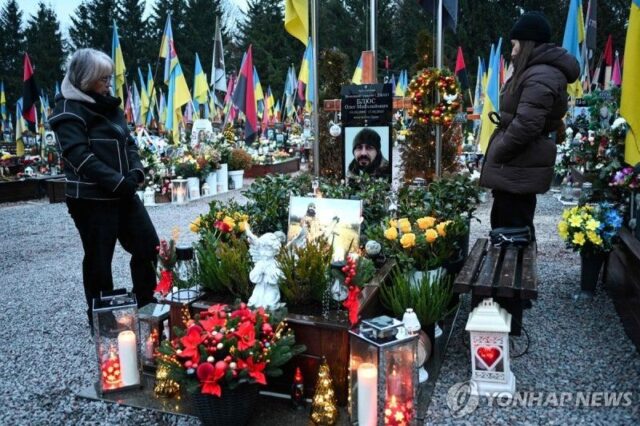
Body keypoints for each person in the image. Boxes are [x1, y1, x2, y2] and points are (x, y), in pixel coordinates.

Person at [49, 48, 159, 329]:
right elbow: (78, 155)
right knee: (99, 259)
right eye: (103, 79)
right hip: (91, 199)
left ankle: (145, 300)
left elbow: (128, 142)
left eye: (109, 77)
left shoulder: (110, 105)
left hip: (123, 193)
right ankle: (102, 317)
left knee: (148, 245)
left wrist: (136, 171)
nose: (109, 84)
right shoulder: (67, 111)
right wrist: (117, 181)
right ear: (85, 80)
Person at [479, 12, 580, 238]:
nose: (512, 51)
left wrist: (500, 151)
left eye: (515, 45)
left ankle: (514, 264)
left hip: (519, 164)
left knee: (512, 232)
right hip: (518, 166)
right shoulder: (536, 72)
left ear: (527, 44)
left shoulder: (541, 75)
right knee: (509, 229)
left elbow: (527, 124)